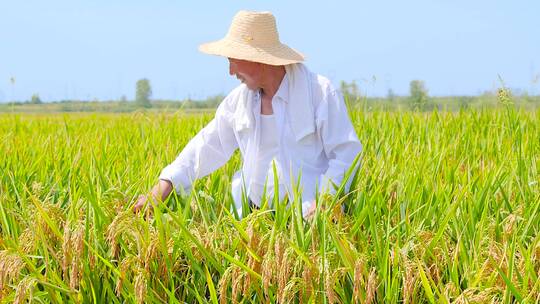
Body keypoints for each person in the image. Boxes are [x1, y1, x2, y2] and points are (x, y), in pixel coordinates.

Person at [133, 10, 362, 218]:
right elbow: (205, 146)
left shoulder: (319, 93)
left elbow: (346, 152)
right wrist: (162, 187)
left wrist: (325, 199)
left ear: (259, 58)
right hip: (251, 217)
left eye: (233, 61)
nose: (231, 71)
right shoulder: (239, 101)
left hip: (306, 218)